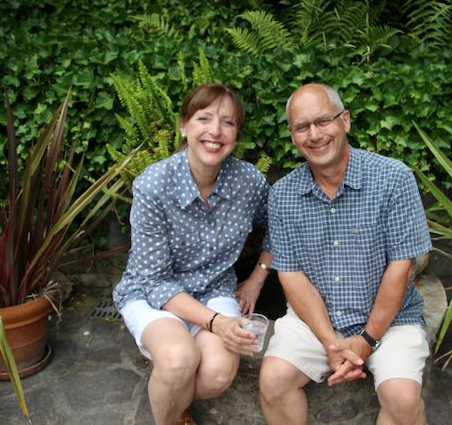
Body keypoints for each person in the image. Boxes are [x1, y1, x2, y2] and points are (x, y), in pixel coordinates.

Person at [259, 83, 432, 424]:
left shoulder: (393, 178)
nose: (314, 134)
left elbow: (401, 268)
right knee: (273, 380)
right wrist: (330, 343)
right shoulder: (283, 195)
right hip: (315, 320)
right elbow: (290, 275)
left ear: (345, 120)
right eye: (302, 127)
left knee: (402, 397)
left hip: (391, 320)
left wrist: (366, 341)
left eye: (323, 121)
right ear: (293, 136)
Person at [113, 83, 273, 425]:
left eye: (228, 123)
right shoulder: (154, 185)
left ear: (235, 134)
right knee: (178, 360)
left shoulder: (248, 182)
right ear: (183, 125)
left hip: (215, 289)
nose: (215, 131)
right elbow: (155, 281)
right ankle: (170, 415)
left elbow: (282, 226)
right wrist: (217, 322)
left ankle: (170, 392)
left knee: (216, 373)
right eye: (204, 118)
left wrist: (257, 279)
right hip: (153, 294)